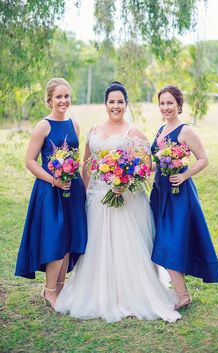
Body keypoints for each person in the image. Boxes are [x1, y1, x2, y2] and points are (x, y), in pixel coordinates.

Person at [54, 81, 181, 323]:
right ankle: (98, 291)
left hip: (126, 198)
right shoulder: (93, 130)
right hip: (98, 198)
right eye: (111, 102)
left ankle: (130, 293)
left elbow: (146, 166)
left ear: (126, 104)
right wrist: (83, 193)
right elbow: (87, 165)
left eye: (120, 102)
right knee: (99, 247)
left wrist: (126, 180)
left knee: (126, 246)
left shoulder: (134, 132)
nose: (116, 106)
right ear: (105, 104)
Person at [15, 78, 87, 308]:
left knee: (68, 237)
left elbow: (75, 157)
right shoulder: (43, 126)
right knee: (55, 237)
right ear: (49, 100)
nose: (63, 101)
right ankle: (49, 290)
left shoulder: (74, 125)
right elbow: (29, 161)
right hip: (50, 190)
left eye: (66, 96)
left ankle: (62, 286)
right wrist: (53, 180)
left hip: (71, 188)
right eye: (58, 97)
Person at [150, 85, 218, 310]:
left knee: (170, 242)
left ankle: (182, 295)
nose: (166, 107)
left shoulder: (185, 131)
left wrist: (183, 176)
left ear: (179, 105)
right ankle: (181, 292)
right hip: (160, 193)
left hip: (179, 195)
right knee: (164, 240)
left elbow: (203, 159)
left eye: (170, 103)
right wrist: (134, 170)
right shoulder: (161, 130)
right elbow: (156, 164)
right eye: (162, 103)